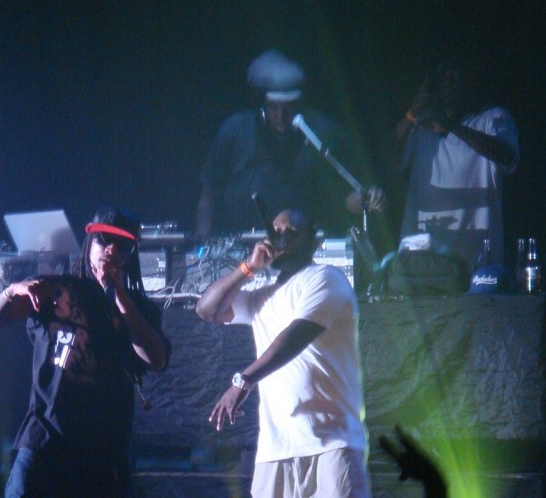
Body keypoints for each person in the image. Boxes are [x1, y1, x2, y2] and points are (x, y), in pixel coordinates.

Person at [0, 207, 170, 498]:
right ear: (90, 241)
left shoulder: (139, 309)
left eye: (122, 245)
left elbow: (156, 359)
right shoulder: (55, 290)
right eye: (104, 239)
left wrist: (119, 296)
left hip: (102, 456)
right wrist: (10, 291)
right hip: (46, 441)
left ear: (131, 254)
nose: (111, 250)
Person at [196, 209, 370, 498]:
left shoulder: (326, 278)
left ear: (313, 242)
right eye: (277, 231)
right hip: (275, 451)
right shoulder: (260, 298)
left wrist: (244, 380)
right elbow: (207, 310)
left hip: (332, 443)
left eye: (293, 232)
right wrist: (248, 268)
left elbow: (296, 336)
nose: (283, 238)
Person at [196, 49, 383, 238]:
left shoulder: (322, 133)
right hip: (242, 244)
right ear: (262, 105)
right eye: (273, 107)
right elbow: (209, 193)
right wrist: (201, 241)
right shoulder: (235, 130)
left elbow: (343, 200)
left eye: (289, 107)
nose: (281, 116)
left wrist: (365, 199)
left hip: (303, 246)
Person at [395, 63, 519, 267]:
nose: (448, 84)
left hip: (476, 265)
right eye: (443, 77)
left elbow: (507, 157)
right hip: (423, 266)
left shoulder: (492, 119)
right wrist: (412, 112)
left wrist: (450, 125)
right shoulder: (421, 126)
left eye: (454, 77)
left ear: (470, 81)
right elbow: (387, 160)